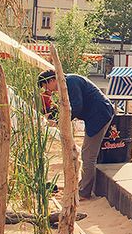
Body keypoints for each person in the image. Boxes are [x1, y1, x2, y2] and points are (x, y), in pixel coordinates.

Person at [38, 70, 115, 200]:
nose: (47, 90)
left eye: (46, 86)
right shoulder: (67, 83)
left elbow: (76, 106)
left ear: (52, 80)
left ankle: (85, 192)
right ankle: (83, 187)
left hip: (99, 115)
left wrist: (60, 121)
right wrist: (54, 116)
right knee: (87, 153)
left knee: (88, 155)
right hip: (95, 115)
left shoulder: (71, 82)